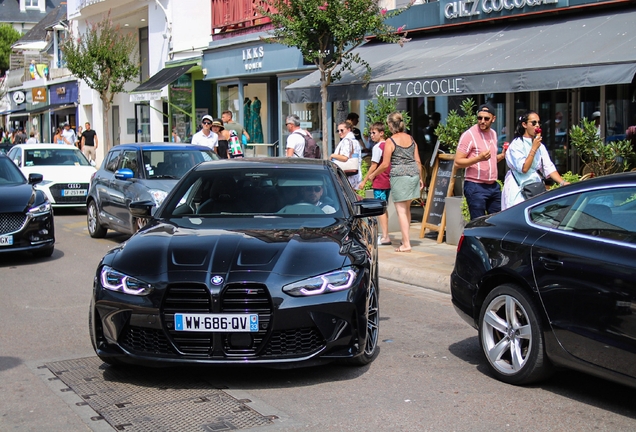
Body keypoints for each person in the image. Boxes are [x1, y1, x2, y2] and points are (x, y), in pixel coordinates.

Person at [368, 112, 423, 253]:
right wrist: (421, 178)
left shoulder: (390, 141)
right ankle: (406, 239)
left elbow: (385, 164)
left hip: (400, 176)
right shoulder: (411, 139)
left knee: (401, 211)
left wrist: (373, 174)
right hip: (413, 175)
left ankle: (406, 244)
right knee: (407, 209)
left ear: (390, 125)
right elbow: (417, 161)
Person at [502, 111, 569, 210]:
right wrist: (533, 149)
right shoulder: (516, 144)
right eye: (533, 123)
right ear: (524, 124)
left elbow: (548, 167)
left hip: (534, 187)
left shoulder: (540, 146)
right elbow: (524, 168)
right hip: (518, 188)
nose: (537, 126)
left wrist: (562, 182)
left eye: (538, 123)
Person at [455, 103, 506, 220]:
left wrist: (501, 156)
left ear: (493, 119)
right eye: (479, 118)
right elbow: (457, 162)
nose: (482, 121)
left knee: (496, 222)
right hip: (475, 185)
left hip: (493, 186)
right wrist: (478, 158)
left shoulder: (493, 133)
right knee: (478, 223)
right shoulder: (469, 135)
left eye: (486, 118)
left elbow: (489, 159)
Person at [358, 122, 392, 245]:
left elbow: (373, 166)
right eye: (371, 133)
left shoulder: (378, 147)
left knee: (380, 209)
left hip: (379, 181)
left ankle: (385, 236)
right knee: (383, 207)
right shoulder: (388, 145)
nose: (371, 135)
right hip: (387, 179)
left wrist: (365, 180)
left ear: (381, 133)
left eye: (374, 133)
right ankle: (385, 234)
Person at [331, 121, 362, 188]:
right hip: (355, 174)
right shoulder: (355, 141)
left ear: (348, 129)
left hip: (347, 175)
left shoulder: (346, 141)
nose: (339, 132)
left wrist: (333, 155)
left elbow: (345, 158)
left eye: (342, 130)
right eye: (338, 130)